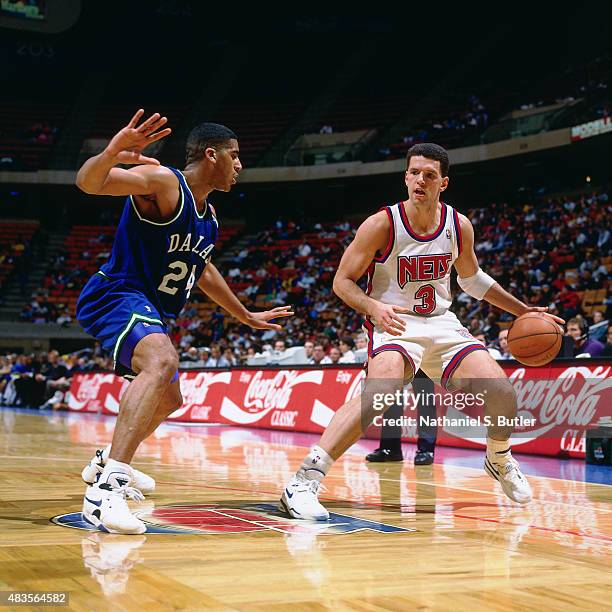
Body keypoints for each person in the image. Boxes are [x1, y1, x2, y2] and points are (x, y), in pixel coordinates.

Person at [279, 142, 564, 520]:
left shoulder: (458, 225)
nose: (420, 180)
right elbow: (342, 282)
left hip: (442, 323)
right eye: (414, 173)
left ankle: (498, 457)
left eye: (429, 175)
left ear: (443, 183)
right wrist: (373, 307)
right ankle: (303, 482)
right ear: (406, 177)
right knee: (379, 395)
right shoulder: (383, 223)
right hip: (395, 323)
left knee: (503, 393)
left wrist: (523, 310)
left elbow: (472, 280)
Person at [75, 110, 293, 534]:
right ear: (211, 155)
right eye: (235, 156)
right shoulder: (165, 183)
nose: (240, 166)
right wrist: (112, 152)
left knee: (172, 399)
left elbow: (204, 269)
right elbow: (89, 182)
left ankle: (105, 459)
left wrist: (243, 314)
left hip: (152, 308)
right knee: (162, 361)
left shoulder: (208, 218)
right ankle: (106, 490)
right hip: (117, 293)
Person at [365, 370, 437, 465]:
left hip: (424, 359)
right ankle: (390, 449)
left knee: (425, 401)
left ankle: (426, 450)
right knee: (392, 400)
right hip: (398, 357)